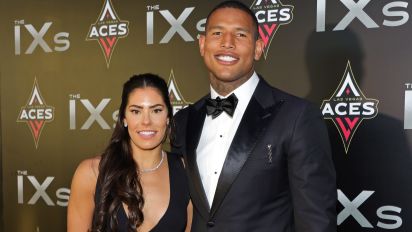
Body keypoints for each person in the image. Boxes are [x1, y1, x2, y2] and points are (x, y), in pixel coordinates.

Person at [172, 1, 336, 231]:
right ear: (202, 44)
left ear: (258, 48)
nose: (227, 43)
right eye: (217, 33)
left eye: (240, 35)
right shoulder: (184, 120)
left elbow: (316, 220)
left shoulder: (297, 117)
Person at [68, 74, 192, 232]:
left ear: (167, 117)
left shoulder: (186, 170)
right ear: (124, 118)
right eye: (136, 111)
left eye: (156, 110)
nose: (146, 121)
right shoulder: (90, 173)